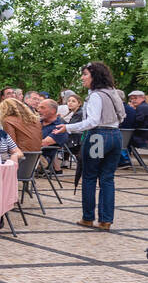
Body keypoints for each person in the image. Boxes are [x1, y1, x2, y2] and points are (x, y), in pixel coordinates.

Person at [52, 62, 125, 229]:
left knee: (90, 176)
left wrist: (67, 127)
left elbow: (92, 121)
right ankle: (106, 220)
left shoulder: (96, 96)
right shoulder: (112, 93)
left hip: (98, 137)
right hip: (115, 136)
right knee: (107, 178)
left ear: (94, 76)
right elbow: (122, 116)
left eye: (85, 74)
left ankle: (88, 217)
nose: (82, 77)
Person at [37, 98, 71, 173]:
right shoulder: (37, 122)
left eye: (42, 108)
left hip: (41, 159)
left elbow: (43, 143)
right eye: (38, 107)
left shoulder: (60, 127)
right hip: (28, 153)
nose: (38, 110)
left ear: (53, 110)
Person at [118, 89, 148, 167]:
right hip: (142, 135)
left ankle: (124, 160)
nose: (133, 100)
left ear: (143, 98)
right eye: (131, 98)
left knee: (121, 136)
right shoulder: (142, 107)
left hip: (143, 137)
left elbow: (137, 122)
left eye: (135, 98)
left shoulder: (142, 108)